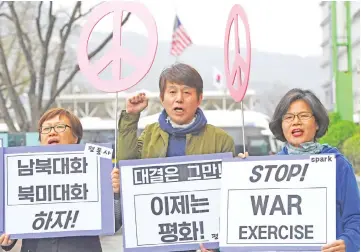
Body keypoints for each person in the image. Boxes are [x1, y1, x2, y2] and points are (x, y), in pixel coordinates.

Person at [117, 63, 235, 252]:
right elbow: (125, 168)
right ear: (162, 98)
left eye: (187, 93)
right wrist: (131, 117)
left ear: (199, 99)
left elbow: (231, 201)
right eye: (172, 92)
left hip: (201, 244)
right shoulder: (148, 135)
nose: (179, 99)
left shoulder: (221, 140)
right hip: (156, 240)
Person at [239, 88, 359, 252]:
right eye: (288, 117)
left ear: (317, 123)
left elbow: (354, 217)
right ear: (281, 125)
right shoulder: (268, 170)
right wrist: (240, 173)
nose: (296, 122)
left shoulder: (338, 165)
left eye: (303, 116)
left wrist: (348, 241)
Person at [0, 108, 122, 252]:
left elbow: (113, 223)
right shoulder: (19, 173)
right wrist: (7, 239)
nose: (52, 132)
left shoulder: (96, 168)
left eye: (60, 127)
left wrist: (115, 194)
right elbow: (9, 228)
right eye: (46, 128)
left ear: (76, 137)